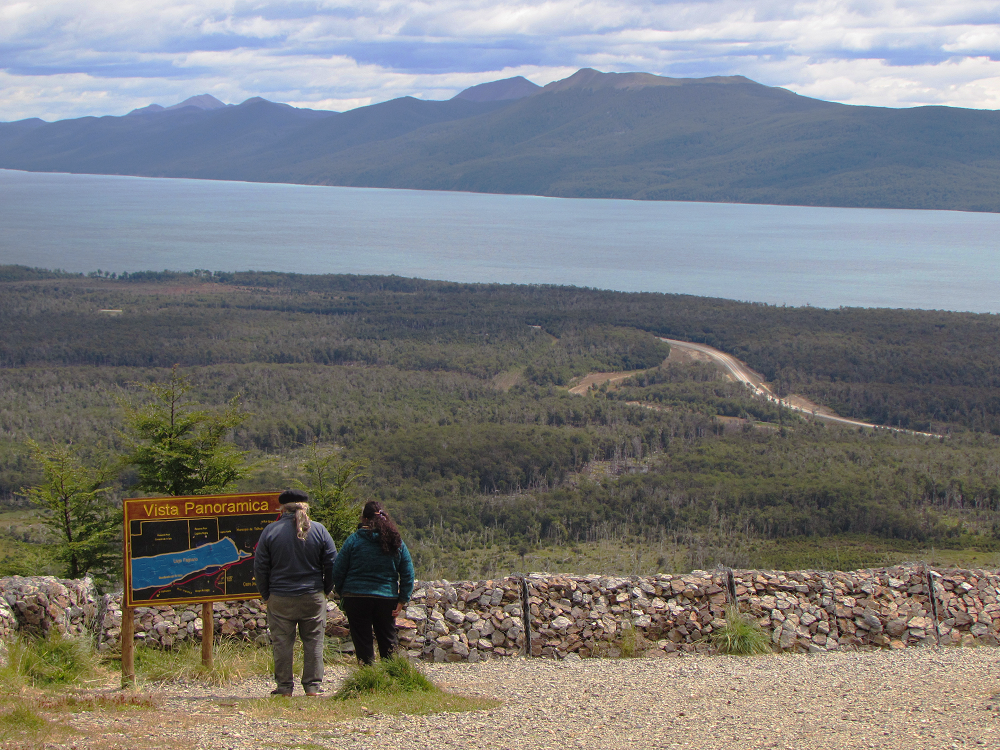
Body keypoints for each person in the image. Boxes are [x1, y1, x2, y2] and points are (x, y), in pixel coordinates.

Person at [254, 489, 338, 696]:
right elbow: (332, 563)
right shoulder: (319, 530)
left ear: (282, 508)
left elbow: (261, 567)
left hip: (280, 596)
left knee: (282, 642)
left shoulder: (270, 531)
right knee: (314, 641)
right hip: (313, 595)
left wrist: (266, 594)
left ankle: (284, 688)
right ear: (305, 506)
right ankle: (312, 687)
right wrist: (325, 590)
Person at [331, 500, 414, 664]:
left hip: (356, 596)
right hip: (386, 597)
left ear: (363, 519)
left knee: (362, 641)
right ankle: (392, 678)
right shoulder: (395, 542)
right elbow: (407, 572)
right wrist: (403, 599)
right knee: (388, 640)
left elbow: (338, 570)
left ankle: (367, 678)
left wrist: (343, 593)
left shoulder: (353, 540)